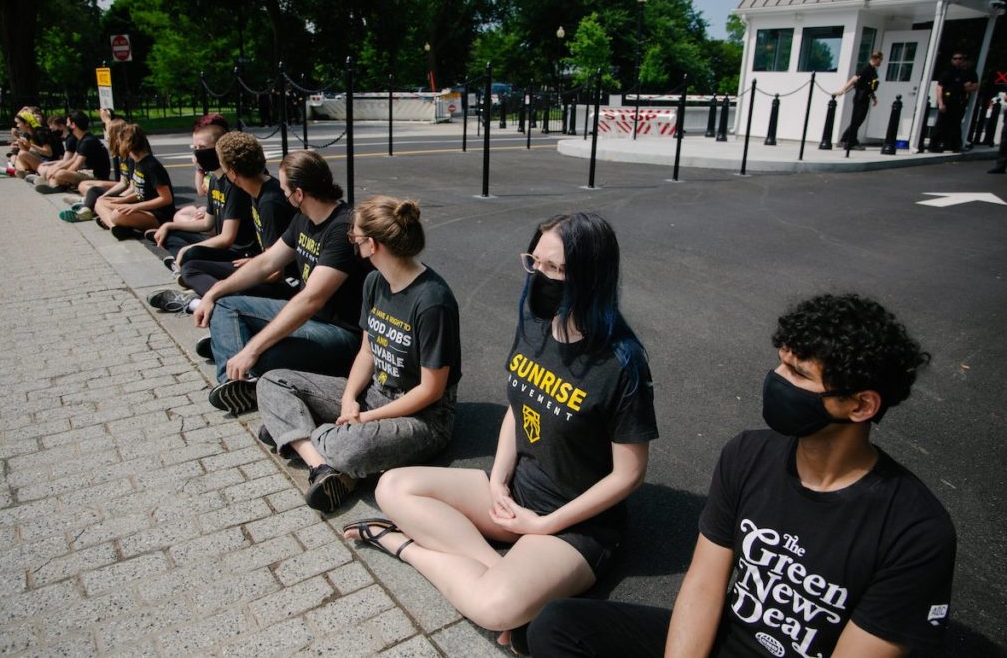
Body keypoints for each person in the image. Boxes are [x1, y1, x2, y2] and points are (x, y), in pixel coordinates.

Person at [526, 293, 956, 658]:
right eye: (781, 365)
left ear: (861, 406)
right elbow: (704, 584)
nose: (776, 380)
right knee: (558, 625)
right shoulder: (749, 453)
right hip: (728, 641)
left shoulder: (915, 531)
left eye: (798, 374)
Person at [344, 212, 658, 653]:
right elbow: (519, 406)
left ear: (590, 276)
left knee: (493, 608)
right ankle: (499, 568)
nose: (540, 277)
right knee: (393, 486)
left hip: (574, 525)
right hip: (516, 496)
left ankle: (400, 545)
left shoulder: (621, 362)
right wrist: (496, 480)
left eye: (557, 269)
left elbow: (629, 475)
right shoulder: (534, 324)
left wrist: (544, 524)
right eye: (535, 262)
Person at [256, 195, 460, 513]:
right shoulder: (374, 282)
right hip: (373, 396)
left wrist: (363, 419)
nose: (354, 243)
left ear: (373, 245)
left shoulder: (433, 301)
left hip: (422, 418)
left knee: (351, 445)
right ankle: (322, 467)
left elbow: (431, 390)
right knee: (272, 382)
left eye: (356, 237)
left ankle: (298, 436)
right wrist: (350, 398)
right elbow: (368, 350)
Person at [192, 150, 366, 415]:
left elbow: (311, 300)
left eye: (284, 189)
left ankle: (233, 360)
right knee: (225, 304)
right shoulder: (303, 218)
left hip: (340, 334)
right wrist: (213, 292)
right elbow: (265, 263)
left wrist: (251, 349)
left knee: (263, 356)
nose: (281, 193)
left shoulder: (342, 229)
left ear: (298, 194)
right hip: (312, 321)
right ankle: (235, 381)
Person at [150, 114, 257, 283]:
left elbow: (227, 238)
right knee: (171, 234)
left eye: (202, 147)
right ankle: (182, 263)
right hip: (221, 243)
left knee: (191, 254)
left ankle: (185, 266)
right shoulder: (215, 179)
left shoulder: (234, 184)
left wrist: (189, 249)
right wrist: (169, 224)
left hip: (237, 251)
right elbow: (207, 223)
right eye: (195, 147)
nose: (197, 152)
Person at [93, 124, 175, 240]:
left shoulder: (152, 166)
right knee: (101, 202)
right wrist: (122, 200)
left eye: (119, 142)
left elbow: (166, 199)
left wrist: (135, 207)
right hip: (143, 209)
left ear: (127, 145)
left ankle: (117, 225)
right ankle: (116, 228)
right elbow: (142, 192)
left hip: (157, 216)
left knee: (117, 214)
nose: (117, 144)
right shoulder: (137, 162)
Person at [58, 118, 129, 223]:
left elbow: (130, 186)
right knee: (85, 186)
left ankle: (86, 207)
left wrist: (119, 198)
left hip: (128, 190)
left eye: (109, 135)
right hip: (123, 186)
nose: (107, 138)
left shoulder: (130, 156)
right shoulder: (123, 154)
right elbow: (123, 182)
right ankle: (87, 203)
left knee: (95, 192)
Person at [35, 111, 112, 195]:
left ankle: (57, 184)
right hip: (88, 172)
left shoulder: (88, 141)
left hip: (97, 176)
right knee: (58, 171)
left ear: (73, 125)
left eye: (68, 123)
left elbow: (76, 165)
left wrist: (60, 174)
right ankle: (56, 184)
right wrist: (55, 169)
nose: (66, 125)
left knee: (61, 174)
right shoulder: (81, 139)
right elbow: (72, 160)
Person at [931, 51, 979, 153]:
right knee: (941, 124)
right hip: (947, 101)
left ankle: (955, 146)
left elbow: (974, 86)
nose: (958, 61)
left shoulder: (966, 73)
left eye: (960, 59)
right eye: (955, 58)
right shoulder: (948, 72)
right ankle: (934, 145)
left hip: (959, 102)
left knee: (956, 125)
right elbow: (939, 88)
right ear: (952, 60)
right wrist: (941, 103)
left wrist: (967, 88)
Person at [835, 51, 883, 150]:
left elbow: (870, 85)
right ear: (876, 59)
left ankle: (844, 140)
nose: (880, 62)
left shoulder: (873, 70)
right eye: (880, 60)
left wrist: (873, 97)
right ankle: (851, 142)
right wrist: (842, 90)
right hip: (859, 98)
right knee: (856, 120)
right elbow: (854, 79)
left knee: (858, 120)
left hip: (866, 97)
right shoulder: (865, 68)